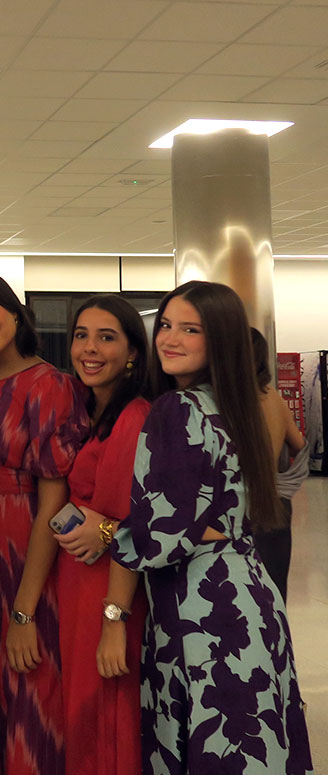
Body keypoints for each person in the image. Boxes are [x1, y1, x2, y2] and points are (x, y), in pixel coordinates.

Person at [110, 281, 312, 774]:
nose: (169, 339)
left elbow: (158, 537)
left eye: (190, 329)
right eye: (166, 325)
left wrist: (103, 531)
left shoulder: (177, 410)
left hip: (201, 607)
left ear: (217, 339)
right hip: (252, 595)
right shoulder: (239, 403)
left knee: (213, 744)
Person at [0, 271, 88, 775]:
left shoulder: (50, 386)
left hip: (23, 545)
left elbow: (54, 499)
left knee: (28, 682)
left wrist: (24, 611)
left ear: (13, 309)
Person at [51, 295, 150, 774]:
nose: (89, 348)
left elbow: (134, 523)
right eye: (81, 336)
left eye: (106, 337)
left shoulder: (134, 416)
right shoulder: (89, 409)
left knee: (103, 713)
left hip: (107, 588)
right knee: (83, 711)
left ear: (133, 352)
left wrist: (115, 621)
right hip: (76, 582)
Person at [250, 328, 306, 602]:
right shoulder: (273, 396)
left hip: (247, 504)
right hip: (278, 502)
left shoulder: (233, 401)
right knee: (274, 589)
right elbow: (298, 443)